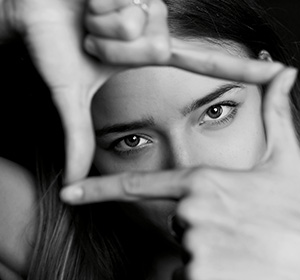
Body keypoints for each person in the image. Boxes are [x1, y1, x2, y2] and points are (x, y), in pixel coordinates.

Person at [0, 1, 299, 280]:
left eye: (216, 111)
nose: (188, 173)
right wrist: (12, 10)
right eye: (132, 141)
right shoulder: (58, 249)